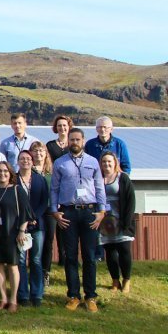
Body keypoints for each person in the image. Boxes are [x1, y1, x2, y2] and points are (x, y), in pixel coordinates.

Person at [51, 128, 107, 313]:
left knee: (90, 256)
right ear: (68, 141)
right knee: (70, 256)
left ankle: (90, 296)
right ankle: (73, 295)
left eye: (77, 139)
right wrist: (55, 211)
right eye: (72, 139)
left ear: (83, 141)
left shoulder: (93, 162)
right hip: (68, 213)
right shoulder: (60, 163)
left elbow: (99, 187)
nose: (74, 142)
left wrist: (102, 211)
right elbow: (54, 189)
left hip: (89, 212)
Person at [0, 161, 33, 313]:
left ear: (10, 173)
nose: (2, 174)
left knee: (13, 266)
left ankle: (13, 299)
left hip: (12, 233)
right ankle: (3, 298)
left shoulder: (17, 190)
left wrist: (21, 231)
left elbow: (25, 212)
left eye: (5, 171)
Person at [98, 152, 136, 294]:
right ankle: (115, 280)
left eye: (109, 161)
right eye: (104, 162)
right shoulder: (98, 179)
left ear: (115, 163)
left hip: (122, 221)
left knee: (124, 250)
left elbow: (131, 200)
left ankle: (126, 280)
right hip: (105, 223)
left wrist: (127, 222)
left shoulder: (123, 178)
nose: (106, 164)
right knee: (110, 252)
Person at [15, 150, 50, 307]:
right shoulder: (13, 179)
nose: (25, 161)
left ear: (32, 161)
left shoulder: (40, 179)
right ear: (18, 161)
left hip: (37, 225)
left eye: (28, 158)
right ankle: (23, 294)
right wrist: (24, 220)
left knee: (36, 259)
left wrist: (33, 217)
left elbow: (44, 200)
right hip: (19, 225)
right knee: (21, 260)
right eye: (22, 158)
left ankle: (37, 294)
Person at [30, 141, 58, 288]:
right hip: (33, 211)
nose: (38, 153)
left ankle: (45, 272)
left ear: (46, 153)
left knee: (48, 242)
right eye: (35, 151)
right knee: (33, 242)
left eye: (41, 151)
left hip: (49, 211)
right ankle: (33, 272)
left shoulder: (51, 172)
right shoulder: (28, 171)